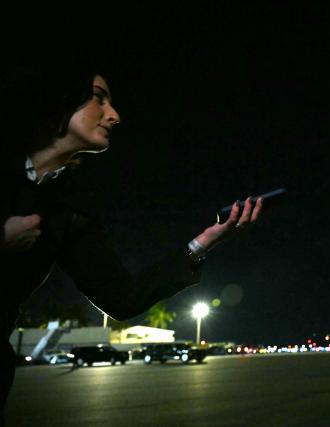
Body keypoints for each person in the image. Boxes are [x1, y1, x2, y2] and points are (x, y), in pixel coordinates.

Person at [0, 63, 263, 422]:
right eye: (98, 99)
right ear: (60, 99)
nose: (115, 115)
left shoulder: (69, 211)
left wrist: (206, 241)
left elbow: (121, 297)